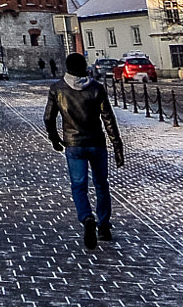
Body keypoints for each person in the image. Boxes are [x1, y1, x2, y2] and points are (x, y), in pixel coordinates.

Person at [44, 52, 125, 251]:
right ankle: (104, 225)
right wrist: (117, 146)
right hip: (96, 142)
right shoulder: (96, 88)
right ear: (84, 67)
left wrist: (55, 139)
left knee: (78, 185)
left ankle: (86, 217)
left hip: (73, 144)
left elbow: (48, 118)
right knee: (101, 184)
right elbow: (108, 119)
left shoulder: (57, 89)